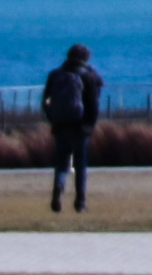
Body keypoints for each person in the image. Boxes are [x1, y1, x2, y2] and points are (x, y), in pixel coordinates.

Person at [40, 43, 104, 213]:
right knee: (80, 164)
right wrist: (90, 125)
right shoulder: (88, 76)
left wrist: (52, 119)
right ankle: (80, 202)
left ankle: (57, 192)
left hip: (60, 125)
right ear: (84, 58)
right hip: (80, 127)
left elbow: (46, 101)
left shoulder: (55, 75)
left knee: (61, 164)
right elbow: (93, 105)